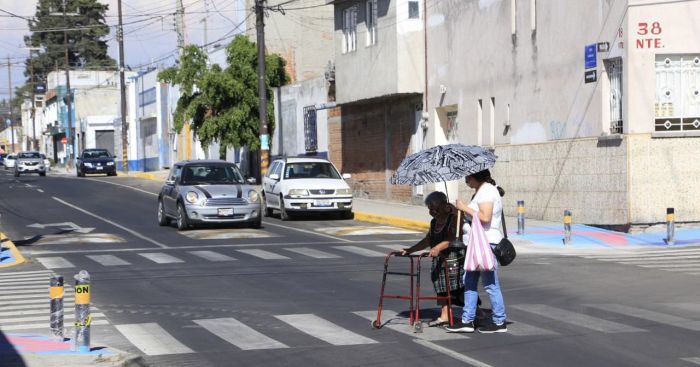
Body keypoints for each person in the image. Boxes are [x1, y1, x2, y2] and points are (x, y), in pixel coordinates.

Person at [446, 169, 508, 333]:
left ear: (473, 177)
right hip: (477, 243)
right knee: (469, 282)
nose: (466, 181)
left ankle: (499, 321)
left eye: (467, 178)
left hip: (486, 243)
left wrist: (464, 207)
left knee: (490, 284)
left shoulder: (487, 190)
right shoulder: (482, 191)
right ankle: (467, 320)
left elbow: (485, 217)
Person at [402, 191, 465, 327]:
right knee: (441, 286)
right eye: (430, 209)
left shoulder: (454, 218)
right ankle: (444, 315)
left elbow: (454, 238)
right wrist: (411, 250)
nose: (432, 212)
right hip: (439, 259)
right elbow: (428, 240)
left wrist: (438, 247)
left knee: (457, 288)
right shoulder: (434, 222)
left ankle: (476, 312)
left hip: (453, 257)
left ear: (443, 205)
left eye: (434, 208)